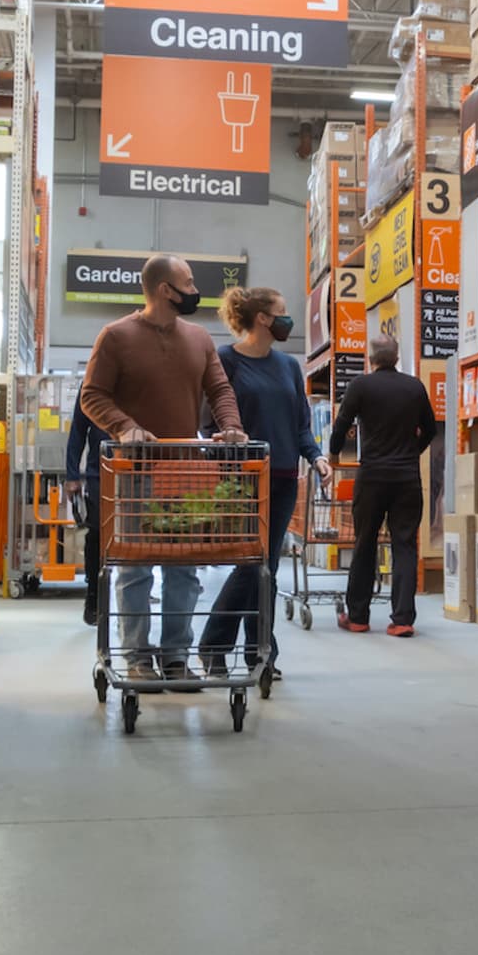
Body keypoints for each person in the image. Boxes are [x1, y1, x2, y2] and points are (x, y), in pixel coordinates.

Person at [81, 254, 246, 686]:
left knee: (184, 567)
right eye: (188, 282)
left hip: (186, 473)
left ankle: (175, 655)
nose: (195, 290)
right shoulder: (116, 336)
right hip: (134, 472)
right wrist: (126, 427)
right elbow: (92, 396)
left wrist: (230, 426)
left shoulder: (199, 338)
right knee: (135, 568)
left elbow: (220, 389)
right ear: (163, 290)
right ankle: (136, 656)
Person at [199, 287, 332, 683]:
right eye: (282, 313)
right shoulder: (225, 361)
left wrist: (317, 456)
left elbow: (300, 426)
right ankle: (232, 647)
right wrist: (228, 454)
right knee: (254, 563)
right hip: (242, 479)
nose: (287, 321)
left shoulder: (289, 366)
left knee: (265, 566)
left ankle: (255, 651)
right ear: (261, 318)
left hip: (285, 478)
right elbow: (209, 423)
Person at [329, 334, 436, 637]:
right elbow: (429, 428)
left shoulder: (360, 386)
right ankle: (403, 619)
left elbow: (342, 425)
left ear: (370, 357)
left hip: (372, 475)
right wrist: (411, 452)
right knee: (404, 544)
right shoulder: (414, 386)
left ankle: (359, 616)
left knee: (365, 542)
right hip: (406, 478)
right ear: (397, 355)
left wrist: (334, 455)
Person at [64, 391, 109, 628]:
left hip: (135, 470)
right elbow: (78, 431)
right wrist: (72, 475)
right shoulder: (93, 383)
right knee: (97, 535)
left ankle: (131, 596)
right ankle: (94, 596)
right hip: (99, 474)